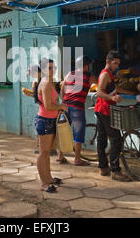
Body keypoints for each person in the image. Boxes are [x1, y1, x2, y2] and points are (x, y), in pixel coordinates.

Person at [95, 50, 132, 182]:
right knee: (116, 139)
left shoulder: (110, 74)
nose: (117, 66)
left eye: (118, 64)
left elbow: (114, 88)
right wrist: (112, 98)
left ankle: (103, 167)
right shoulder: (105, 75)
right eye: (115, 63)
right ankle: (115, 170)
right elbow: (99, 92)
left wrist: (131, 92)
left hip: (101, 109)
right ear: (108, 62)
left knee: (102, 139)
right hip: (105, 110)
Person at [34, 58, 68, 193]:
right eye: (49, 68)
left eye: (53, 67)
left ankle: (49, 179)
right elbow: (48, 106)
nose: (52, 70)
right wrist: (61, 106)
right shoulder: (46, 83)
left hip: (49, 120)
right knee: (43, 153)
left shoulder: (48, 82)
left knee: (47, 152)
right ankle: (44, 183)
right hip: (44, 121)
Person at [60, 55, 97, 166]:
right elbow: (99, 88)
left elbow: (62, 90)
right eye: (89, 64)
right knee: (78, 134)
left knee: (63, 131)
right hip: (77, 108)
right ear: (86, 65)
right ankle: (77, 159)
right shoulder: (89, 77)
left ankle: (60, 156)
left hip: (65, 106)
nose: (90, 66)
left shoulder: (69, 74)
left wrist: (64, 102)